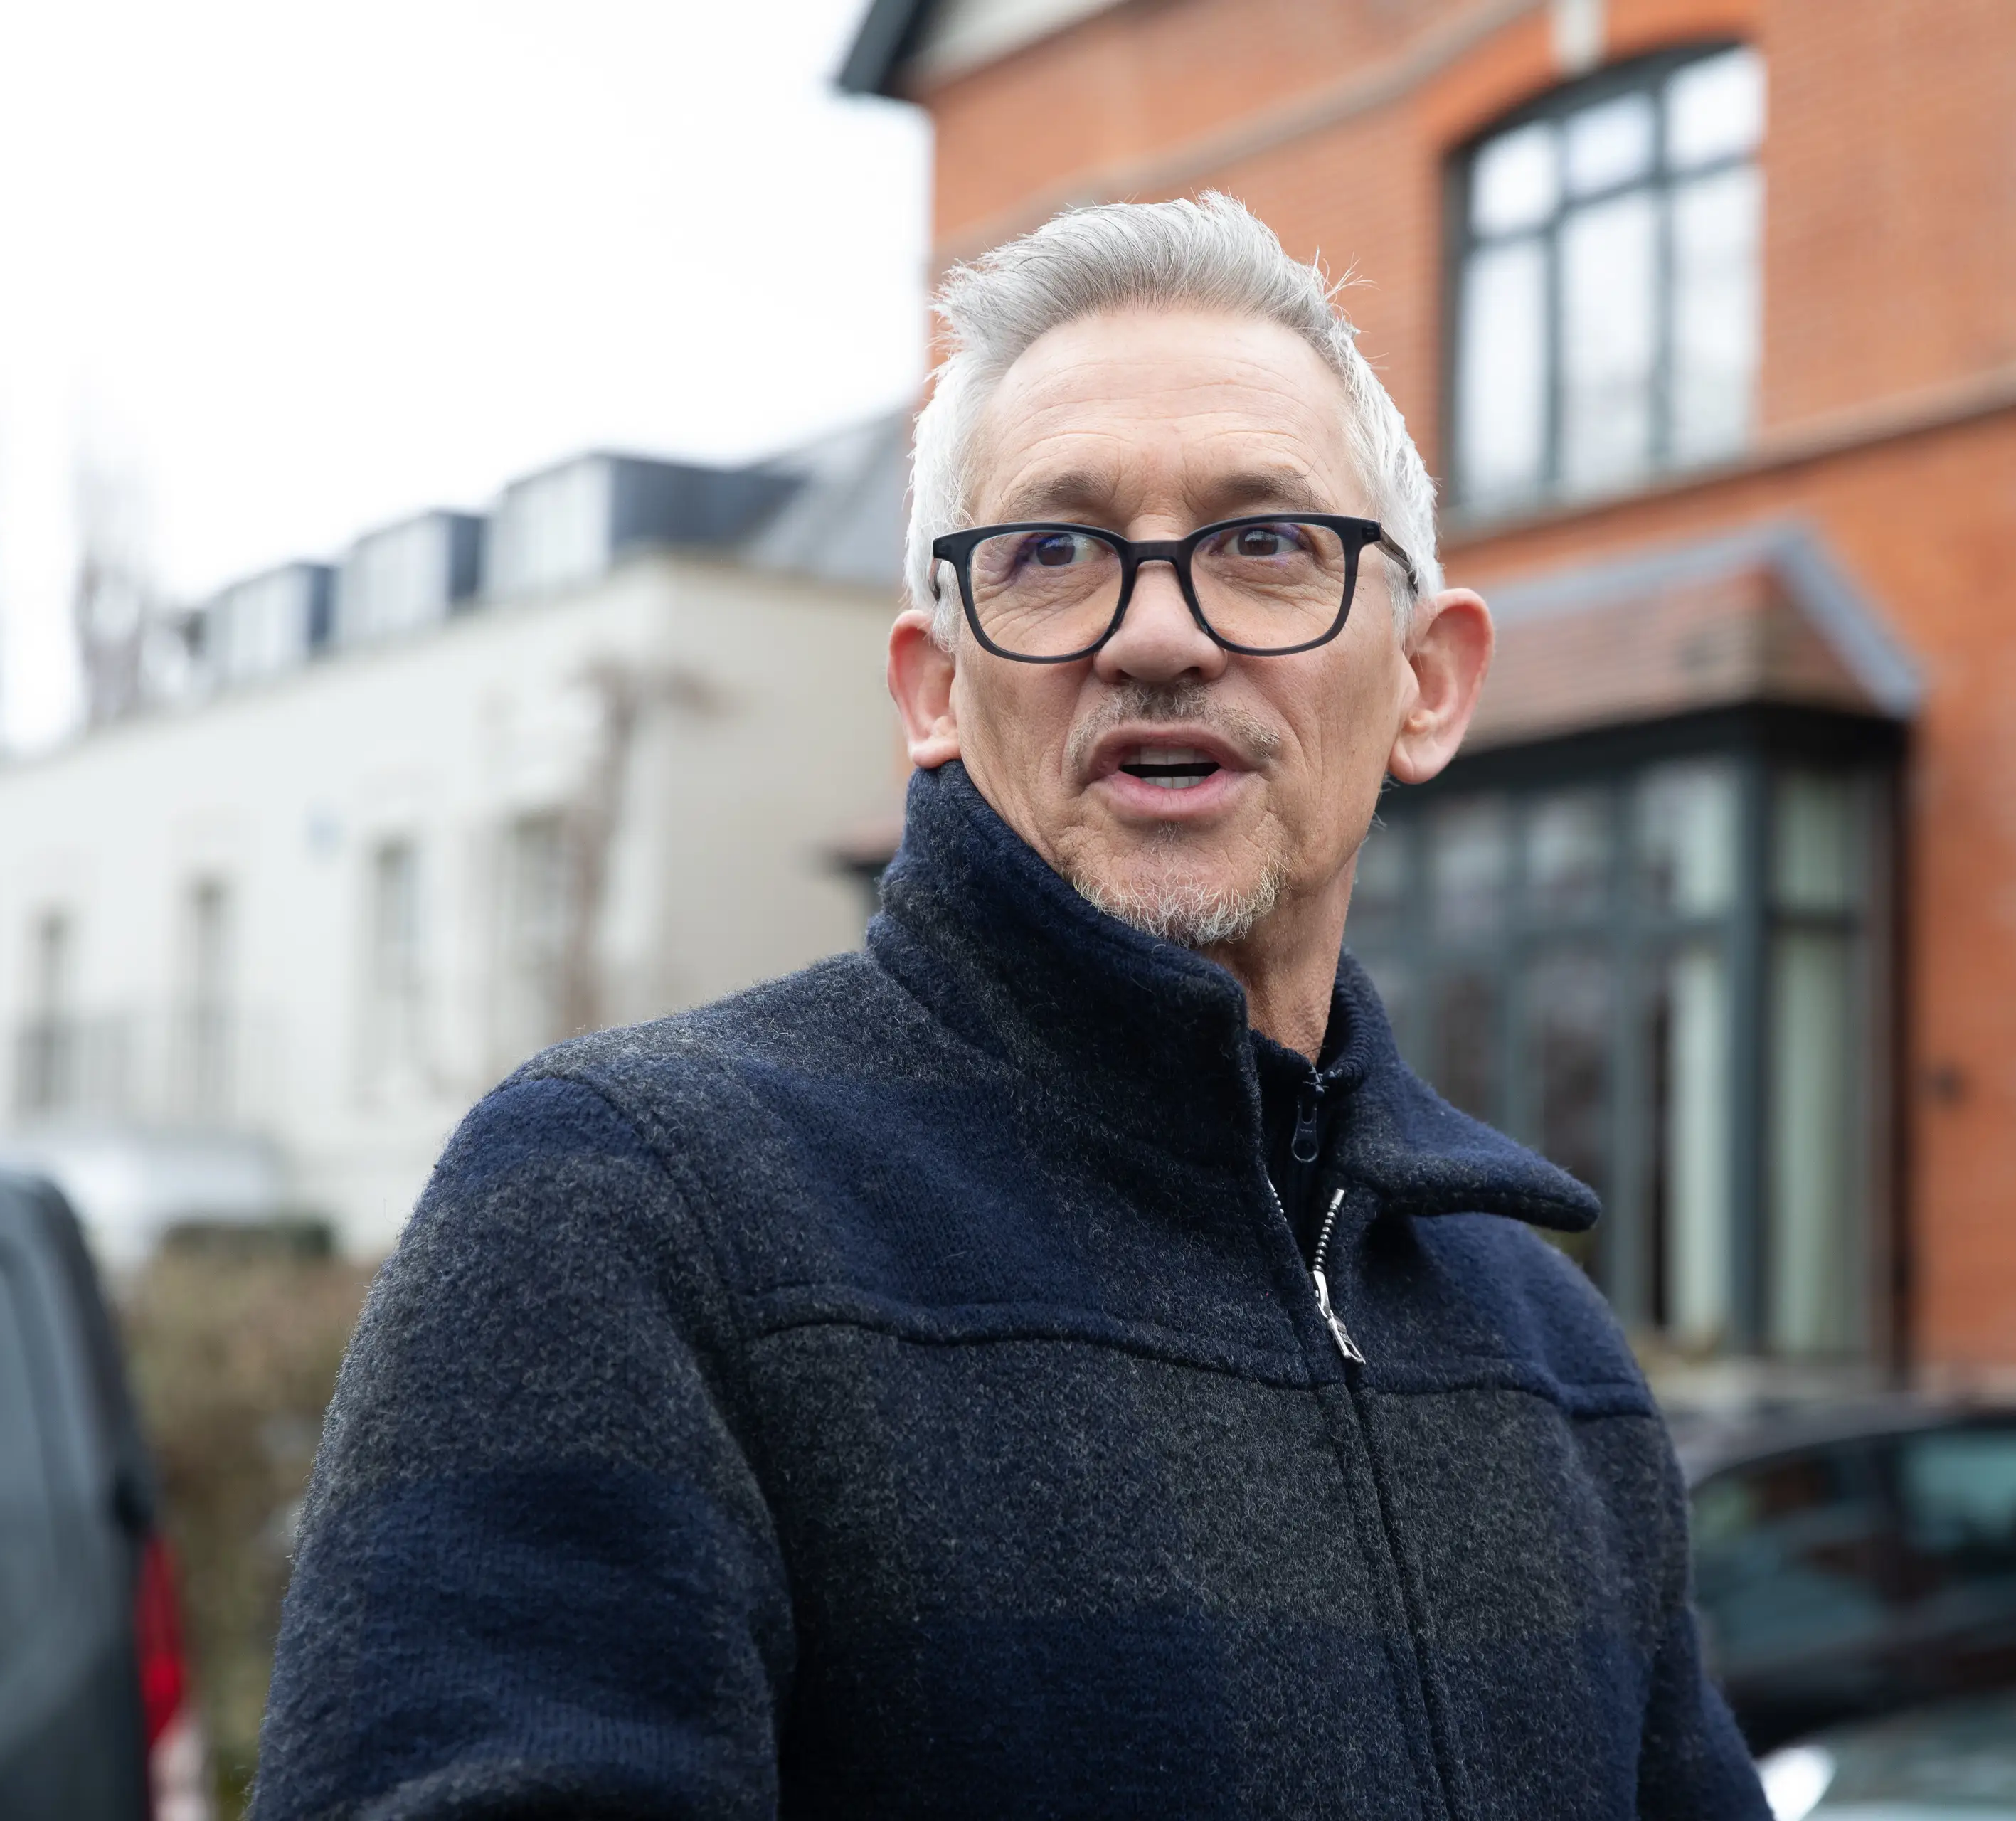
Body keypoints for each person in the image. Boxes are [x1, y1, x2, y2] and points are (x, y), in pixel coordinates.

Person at [254, 193, 1768, 1820]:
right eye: (1053, 554)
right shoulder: (635, 1212)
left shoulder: (1552, 1357)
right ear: (930, 685)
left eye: (1270, 543)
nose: (1164, 635)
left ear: (1426, 678)